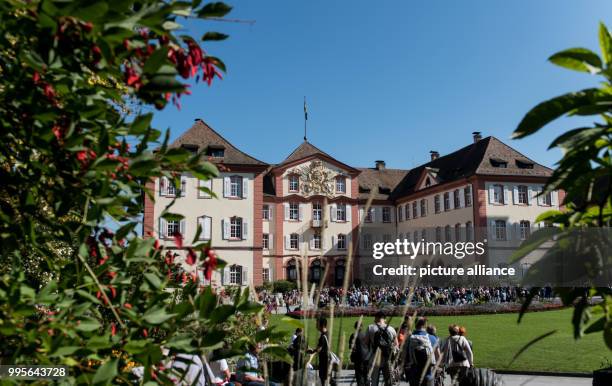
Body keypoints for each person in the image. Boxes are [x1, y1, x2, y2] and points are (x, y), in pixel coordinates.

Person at [367, 311, 398, 386]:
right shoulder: (391, 329)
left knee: (374, 380)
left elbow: (365, 342)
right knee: (388, 380)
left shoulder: (370, 328)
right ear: (385, 319)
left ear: (376, 318)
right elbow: (396, 344)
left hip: (375, 357)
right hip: (387, 357)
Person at [406, 317, 434, 386]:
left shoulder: (409, 338)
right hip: (427, 374)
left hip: (414, 373)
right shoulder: (431, 338)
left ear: (415, 324)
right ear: (425, 325)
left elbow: (405, 355)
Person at [308, 317, 331, 386]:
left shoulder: (323, 336)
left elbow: (319, 349)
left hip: (324, 360)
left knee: (323, 378)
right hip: (327, 359)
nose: (316, 325)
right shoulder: (327, 333)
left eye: (317, 324)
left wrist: (312, 351)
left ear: (322, 325)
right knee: (327, 378)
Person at [349, 320, 369, 386]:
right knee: (366, 375)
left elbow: (351, 347)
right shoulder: (365, 335)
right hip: (366, 357)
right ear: (361, 327)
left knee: (359, 376)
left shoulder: (353, 335)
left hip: (358, 358)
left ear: (355, 327)